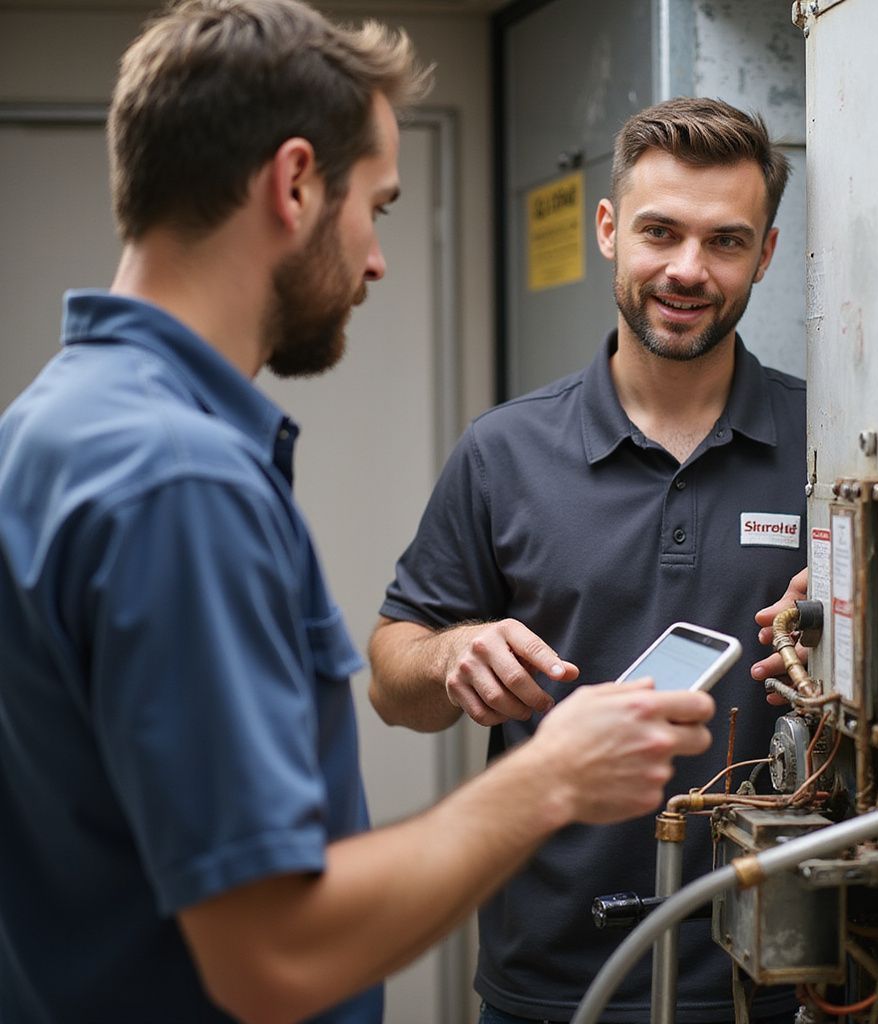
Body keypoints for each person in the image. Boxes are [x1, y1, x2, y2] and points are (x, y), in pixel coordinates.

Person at [0, 5, 718, 1022]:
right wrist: (551, 777)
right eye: (375, 206)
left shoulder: (51, 422)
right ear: (294, 183)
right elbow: (275, 955)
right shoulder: (179, 480)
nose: (376, 258)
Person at [369, 97, 807, 1024]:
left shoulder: (830, 447)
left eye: (726, 242)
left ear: (765, 255)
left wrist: (849, 624)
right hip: (552, 982)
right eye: (660, 232)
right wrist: (450, 656)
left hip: (781, 975)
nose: (688, 270)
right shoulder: (504, 451)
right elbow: (390, 679)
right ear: (609, 231)